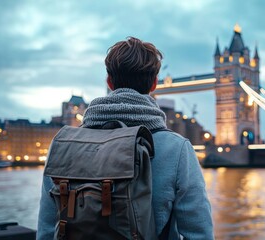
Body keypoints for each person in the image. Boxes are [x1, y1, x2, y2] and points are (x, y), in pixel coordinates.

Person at [37, 37, 214, 239]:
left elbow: (46, 230)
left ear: (109, 82)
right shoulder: (177, 149)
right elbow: (199, 233)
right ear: (155, 83)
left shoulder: (63, 143)